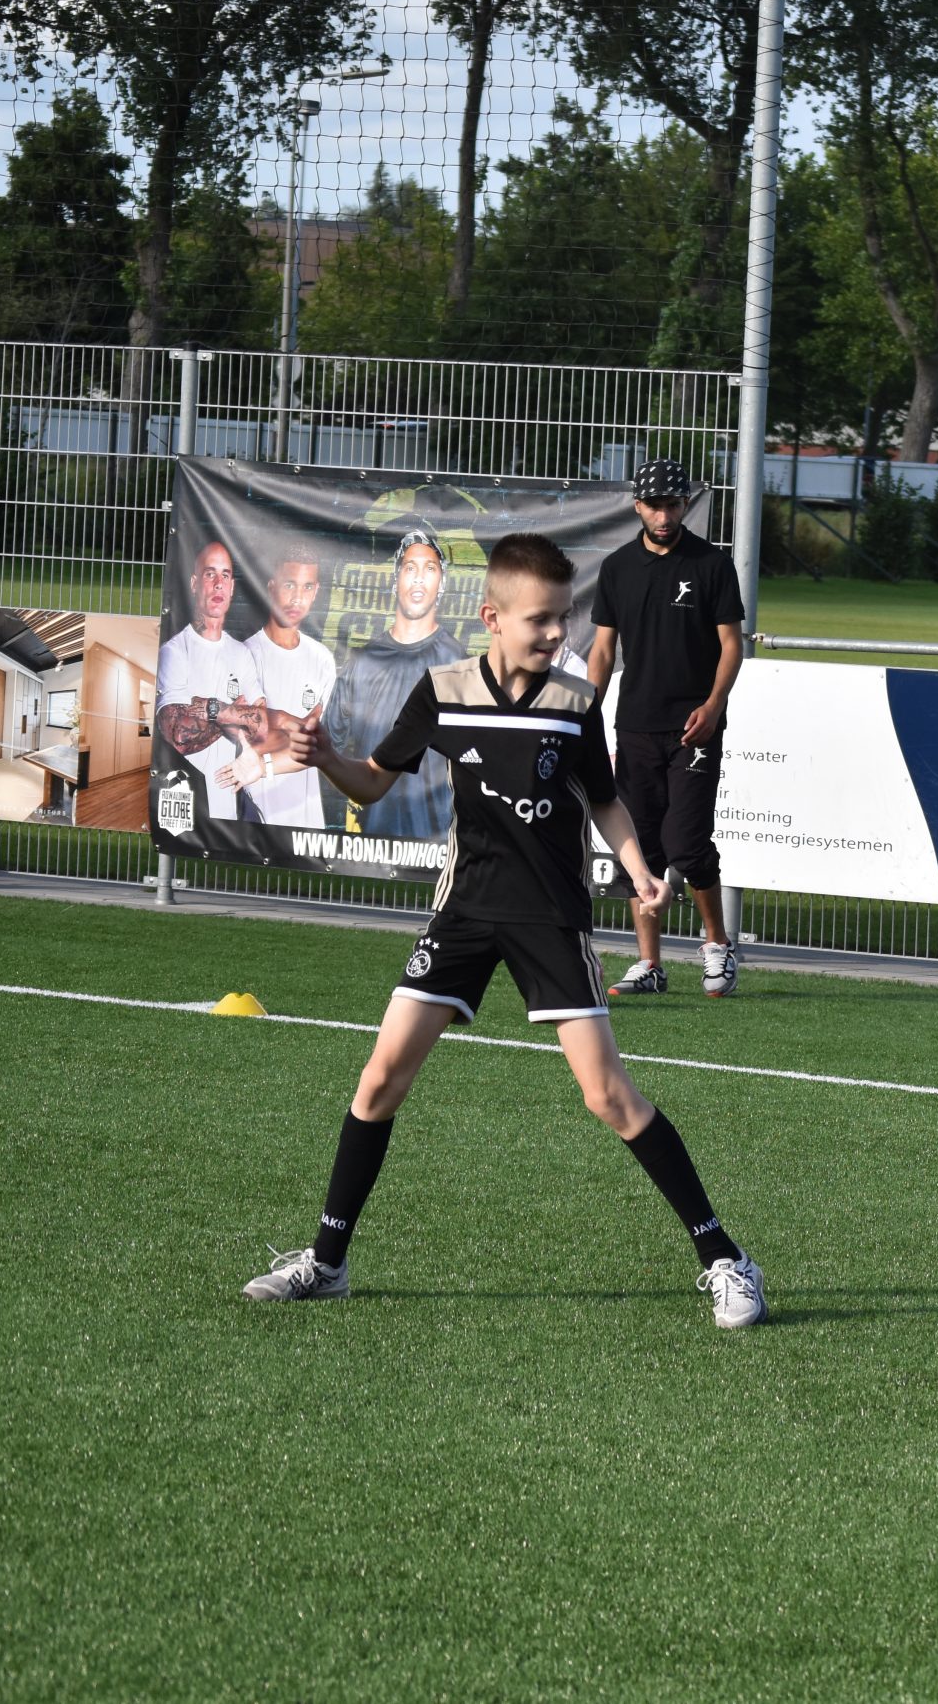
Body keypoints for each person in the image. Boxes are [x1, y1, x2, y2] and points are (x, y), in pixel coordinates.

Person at [242, 532, 765, 1329]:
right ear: (492, 617)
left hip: (551, 917)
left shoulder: (576, 704)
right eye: (540, 620)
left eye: (563, 618)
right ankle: (328, 1260)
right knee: (380, 1080)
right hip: (465, 912)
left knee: (608, 1096)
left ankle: (727, 1258)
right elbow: (373, 782)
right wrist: (324, 758)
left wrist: (637, 867)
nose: (556, 634)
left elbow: (606, 800)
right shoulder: (443, 690)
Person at [588, 459, 745, 999]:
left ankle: (718, 945)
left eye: (672, 505)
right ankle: (649, 964)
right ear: (637, 505)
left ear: (684, 506)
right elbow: (603, 651)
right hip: (635, 725)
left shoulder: (711, 564)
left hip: (694, 727)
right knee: (641, 845)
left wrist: (714, 705)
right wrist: (588, 713)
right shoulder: (617, 567)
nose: (663, 515)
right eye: (654, 505)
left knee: (688, 841)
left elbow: (731, 644)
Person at [325, 526, 463, 841]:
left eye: (430, 569)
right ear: (395, 580)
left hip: (437, 844)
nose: (419, 578)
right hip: (368, 842)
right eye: (410, 568)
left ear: (442, 583)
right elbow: (329, 747)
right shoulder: (362, 662)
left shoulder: (458, 664)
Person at [156, 541, 284, 820]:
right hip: (185, 805)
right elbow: (179, 736)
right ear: (194, 583)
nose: (218, 584)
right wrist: (236, 713)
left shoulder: (241, 654)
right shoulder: (174, 652)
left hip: (228, 804)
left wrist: (214, 710)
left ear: (232, 587)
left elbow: (263, 724)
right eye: (209, 574)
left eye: (225, 575)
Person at [225, 546, 339, 828]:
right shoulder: (243, 655)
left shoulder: (322, 659)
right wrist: (293, 727)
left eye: (307, 587)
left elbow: (313, 742)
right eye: (289, 585)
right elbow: (251, 737)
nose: (297, 597)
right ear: (271, 587)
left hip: (305, 817)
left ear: (316, 591)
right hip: (255, 811)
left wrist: (274, 723)